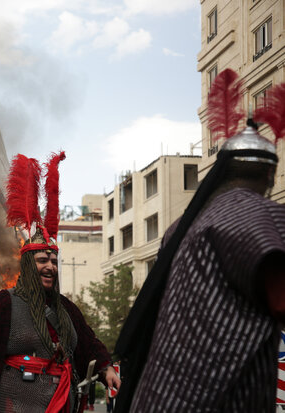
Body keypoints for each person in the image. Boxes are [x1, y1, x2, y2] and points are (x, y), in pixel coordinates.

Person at [114, 69, 285, 412]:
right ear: (270, 173)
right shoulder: (259, 215)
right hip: (217, 400)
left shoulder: (181, 226)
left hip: (160, 395)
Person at [0, 152, 120, 413]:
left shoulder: (66, 309)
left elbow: (88, 343)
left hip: (61, 404)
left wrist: (106, 368)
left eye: (53, 260)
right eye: (42, 260)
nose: (50, 266)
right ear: (30, 264)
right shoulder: (2, 305)